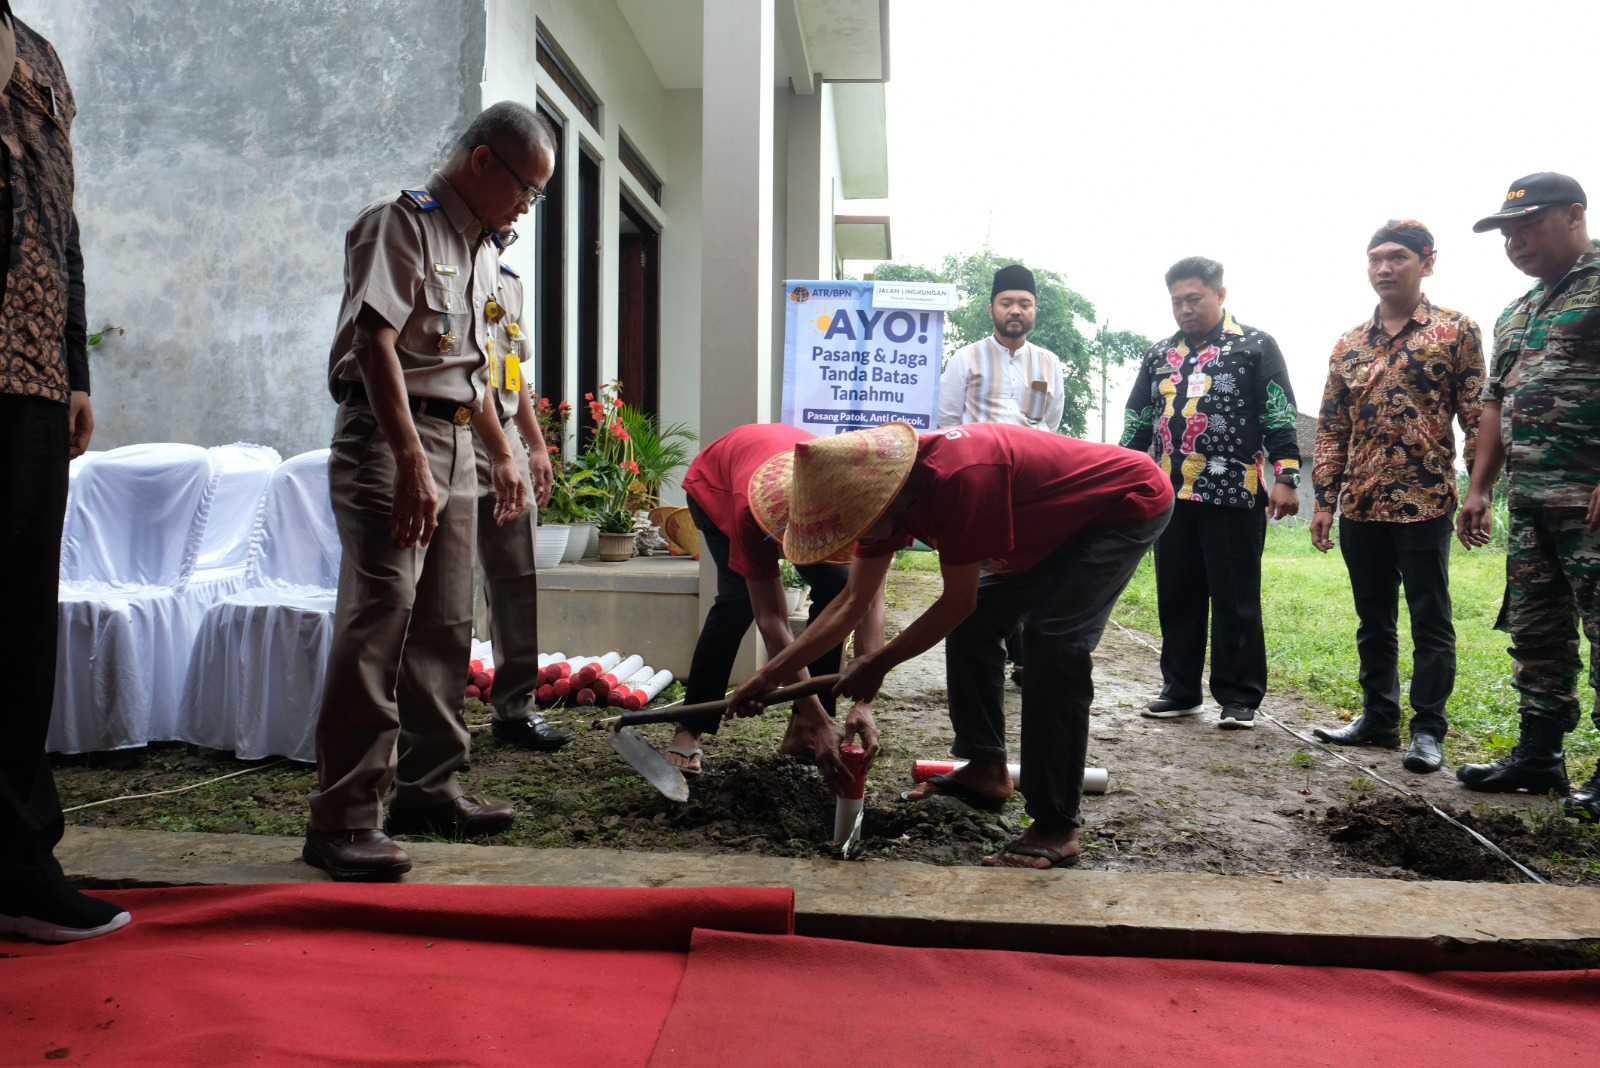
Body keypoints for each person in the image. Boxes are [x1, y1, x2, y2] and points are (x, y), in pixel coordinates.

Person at [728, 422, 1173, 869]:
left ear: (884, 498)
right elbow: (850, 602)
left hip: (1121, 505)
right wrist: (766, 677)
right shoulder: (888, 493)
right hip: (1051, 517)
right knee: (980, 621)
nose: (856, 539)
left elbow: (956, 601)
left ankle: (1056, 825)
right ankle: (985, 769)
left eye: (858, 528)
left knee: (1053, 640)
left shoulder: (963, 479)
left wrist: (879, 662)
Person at [305, 102, 551, 881]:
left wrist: (503, 451)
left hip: (453, 443)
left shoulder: (481, 251)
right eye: (526, 189)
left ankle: (428, 786)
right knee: (382, 618)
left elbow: (474, 373)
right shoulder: (399, 226)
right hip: (388, 439)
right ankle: (343, 817)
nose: (526, 207)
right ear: (482, 162)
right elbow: (376, 344)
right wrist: (411, 457)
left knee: (446, 621)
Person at [0, 5, 129, 943]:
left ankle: (15, 864)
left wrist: (76, 369)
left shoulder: (41, 53)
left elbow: (63, 223)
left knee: (16, 629)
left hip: (31, 380)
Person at [1308, 221, 1484, 774]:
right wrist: (1324, 499)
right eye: (1376, 258)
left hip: (1426, 500)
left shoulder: (1456, 331)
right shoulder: (1349, 344)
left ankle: (1428, 730)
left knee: (1431, 618)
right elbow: (1333, 428)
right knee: (1373, 618)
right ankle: (1378, 718)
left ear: (1427, 263)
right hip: (1360, 504)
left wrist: (1479, 488)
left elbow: (1477, 417)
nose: (1385, 267)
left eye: (1399, 257)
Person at [1456, 172, 1600, 821]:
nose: (1514, 241)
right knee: (1537, 633)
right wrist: (1480, 489)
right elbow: (1493, 402)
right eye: (1506, 232)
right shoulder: (1515, 311)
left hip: (1591, 499)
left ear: (1575, 215)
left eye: (1528, 225)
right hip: (1532, 503)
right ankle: (1539, 755)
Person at [1121, 257, 1301, 730]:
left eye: (1193, 299)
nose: (1184, 309)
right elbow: (1139, 419)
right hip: (1169, 494)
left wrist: (1286, 476)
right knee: (1176, 593)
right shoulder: (1158, 353)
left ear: (1220, 295)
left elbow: (1279, 414)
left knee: (1234, 597)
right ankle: (1179, 690)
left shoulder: (1255, 346)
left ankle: (1239, 696)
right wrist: (1122, 476)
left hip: (1233, 493)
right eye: (1177, 301)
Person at [667, 423, 884, 774]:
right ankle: (689, 727)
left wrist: (865, 703)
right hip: (718, 486)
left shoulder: (862, 505)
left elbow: (868, 604)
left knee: (837, 590)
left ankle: (803, 727)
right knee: (737, 601)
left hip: (790, 483)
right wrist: (816, 715)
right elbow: (772, 620)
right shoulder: (749, 513)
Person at [936, 263, 1064, 685]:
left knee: (1029, 564)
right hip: (979, 483)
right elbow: (947, 422)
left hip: (1030, 484)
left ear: (1034, 311)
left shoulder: (1048, 362)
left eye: (1024, 304)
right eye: (1007, 302)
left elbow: (1051, 423)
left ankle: (1025, 661)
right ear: (992, 309)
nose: (1016, 310)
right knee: (981, 568)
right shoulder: (965, 358)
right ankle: (981, 653)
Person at [477, 224, 570, 752]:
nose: (509, 231)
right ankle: (434, 720)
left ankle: (514, 709)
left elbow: (511, 373)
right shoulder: (453, 267)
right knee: (444, 589)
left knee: (516, 576)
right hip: (455, 433)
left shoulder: (510, 282)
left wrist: (534, 445)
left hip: (506, 438)